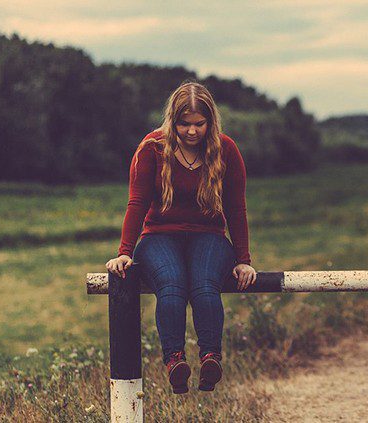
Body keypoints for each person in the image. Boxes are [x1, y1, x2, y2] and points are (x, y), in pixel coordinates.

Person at [105, 81, 257, 394]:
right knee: (171, 285)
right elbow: (137, 202)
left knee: (204, 285)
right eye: (184, 124)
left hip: (209, 235)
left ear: (210, 122)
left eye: (199, 124)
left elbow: (236, 208)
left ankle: (211, 359)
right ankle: (175, 362)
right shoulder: (152, 148)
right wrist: (124, 251)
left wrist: (243, 260)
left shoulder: (226, 150)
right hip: (159, 234)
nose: (191, 132)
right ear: (172, 121)